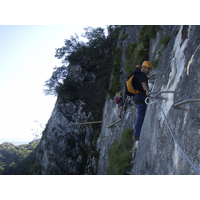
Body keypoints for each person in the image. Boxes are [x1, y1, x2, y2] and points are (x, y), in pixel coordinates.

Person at [132, 61, 153, 141]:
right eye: (148, 69)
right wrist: (148, 91)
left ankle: (137, 133)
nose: (149, 71)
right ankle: (136, 135)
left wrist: (149, 78)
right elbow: (143, 84)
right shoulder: (140, 75)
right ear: (143, 67)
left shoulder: (139, 75)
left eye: (150, 69)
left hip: (138, 96)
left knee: (141, 113)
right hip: (140, 96)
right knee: (141, 115)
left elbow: (143, 81)